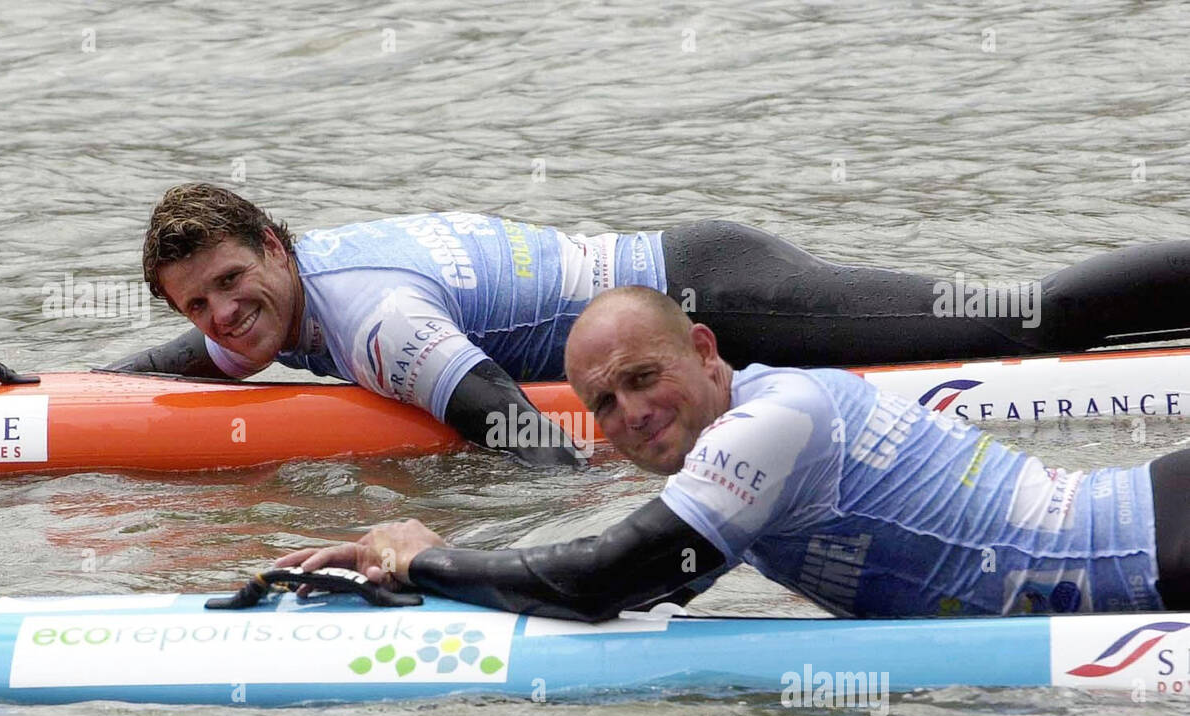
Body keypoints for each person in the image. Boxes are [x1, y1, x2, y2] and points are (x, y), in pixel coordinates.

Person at [115, 182, 1190, 467]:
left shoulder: (375, 321)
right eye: (196, 302)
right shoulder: (279, 289)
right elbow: (202, 354)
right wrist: (48, 382)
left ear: (272, 240)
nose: (222, 317)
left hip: (707, 299)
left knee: (1016, 323)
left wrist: (584, 520)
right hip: (681, 286)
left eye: (230, 283)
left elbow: (514, 429)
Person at [276, 286, 1190, 620]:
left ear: (706, 351)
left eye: (645, 377)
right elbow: (650, 579)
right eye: (604, 402)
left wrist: (423, 557)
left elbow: (599, 580)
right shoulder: (742, 437)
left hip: (1166, 549)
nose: (631, 413)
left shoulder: (767, 426)